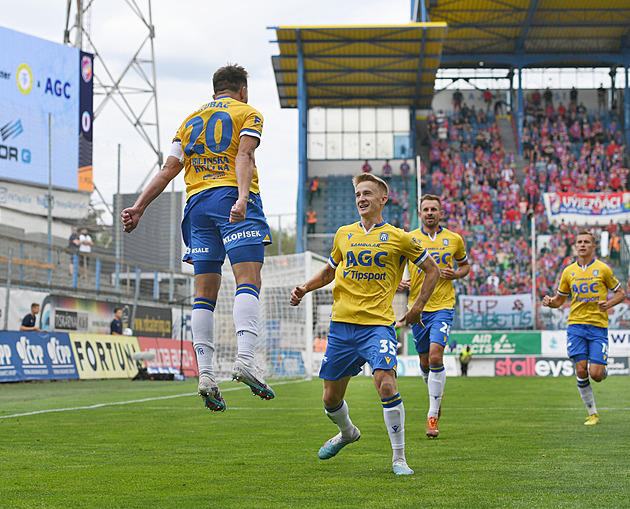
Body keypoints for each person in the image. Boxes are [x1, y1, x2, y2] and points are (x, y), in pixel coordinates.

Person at [121, 64, 274, 412]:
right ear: (243, 90)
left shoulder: (188, 122)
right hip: (231, 198)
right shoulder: (248, 113)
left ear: (214, 90)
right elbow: (245, 154)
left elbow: (168, 169)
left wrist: (139, 206)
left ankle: (205, 373)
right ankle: (245, 360)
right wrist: (240, 198)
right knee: (248, 279)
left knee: (204, 293)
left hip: (196, 206)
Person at [290, 173, 440, 476]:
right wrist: (305, 288)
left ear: (383, 199)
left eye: (368, 193)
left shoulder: (399, 237)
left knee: (386, 382)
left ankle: (399, 458)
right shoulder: (344, 234)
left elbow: (432, 270)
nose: (361, 199)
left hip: (378, 326)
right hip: (342, 325)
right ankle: (347, 432)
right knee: (330, 398)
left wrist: (417, 307)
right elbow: (329, 272)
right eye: (358, 193)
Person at [398, 194, 470, 438]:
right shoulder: (410, 239)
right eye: (425, 209)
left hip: (443, 305)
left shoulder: (454, 239)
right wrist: (398, 280)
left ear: (441, 213)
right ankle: (436, 400)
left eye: (433, 209)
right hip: (417, 306)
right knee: (425, 361)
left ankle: (432, 415)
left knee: (437, 356)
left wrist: (456, 274)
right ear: (420, 214)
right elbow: (395, 264)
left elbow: (465, 266)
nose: (429, 213)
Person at [542, 231, 625, 425]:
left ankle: (603, 370)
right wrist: (549, 302)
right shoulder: (568, 271)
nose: (582, 245)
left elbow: (620, 293)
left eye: (586, 242)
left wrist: (609, 304)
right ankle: (593, 413)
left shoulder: (603, 269)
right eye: (579, 242)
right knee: (581, 371)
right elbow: (560, 300)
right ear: (575, 246)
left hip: (597, 326)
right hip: (576, 325)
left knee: (596, 375)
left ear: (594, 246)